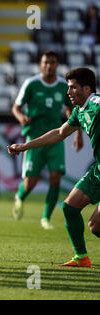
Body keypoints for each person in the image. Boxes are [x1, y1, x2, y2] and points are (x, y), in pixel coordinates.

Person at [8, 67, 99, 268]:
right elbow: (58, 133)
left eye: (73, 87)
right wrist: (25, 146)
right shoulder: (79, 111)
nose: (68, 92)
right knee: (72, 209)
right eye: (67, 87)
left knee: (94, 226)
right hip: (98, 170)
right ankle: (82, 257)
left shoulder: (96, 103)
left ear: (86, 88)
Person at [11, 50, 83, 230]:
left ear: (57, 64)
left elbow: (71, 111)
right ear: (40, 64)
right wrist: (21, 118)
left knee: (55, 178)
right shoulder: (31, 83)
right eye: (45, 62)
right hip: (34, 137)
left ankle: (46, 218)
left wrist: (78, 133)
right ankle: (20, 197)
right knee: (30, 182)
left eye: (52, 62)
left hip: (55, 137)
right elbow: (16, 107)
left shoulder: (62, 86)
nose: (49, 65)